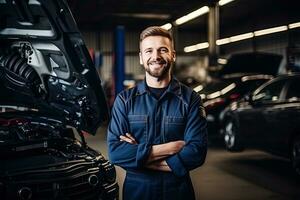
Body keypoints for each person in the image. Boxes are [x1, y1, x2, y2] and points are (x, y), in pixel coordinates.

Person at [107, 26, 207, 200]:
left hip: (178, 193)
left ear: (173, 55)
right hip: (138, 192)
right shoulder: (124, 101)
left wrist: (138, 157)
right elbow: (116, 152)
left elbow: (196, 152)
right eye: (149, 51)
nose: (156, 57)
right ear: (141, 57)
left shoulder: (191, 99)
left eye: (163, 50)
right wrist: (171, 148)